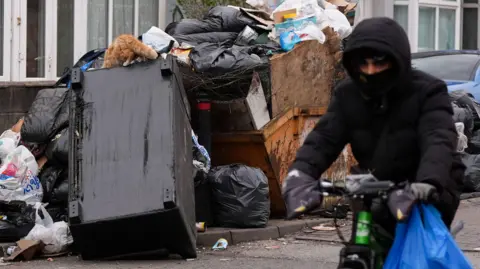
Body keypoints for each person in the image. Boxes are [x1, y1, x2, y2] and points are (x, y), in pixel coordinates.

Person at [282, 17, 465, 253]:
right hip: (375, 182)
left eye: (379, 64)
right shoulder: (348, 94)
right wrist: (301, 175)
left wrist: (426, 183)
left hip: (428, 184)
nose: (370, 71)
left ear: (397, 61)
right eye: (363, 64)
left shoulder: (428, 91)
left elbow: (438, 139)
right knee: (360, 248)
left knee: (419, 255)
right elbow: (324, 139)